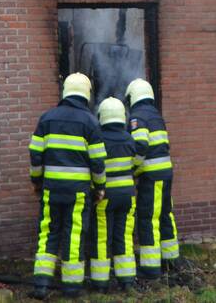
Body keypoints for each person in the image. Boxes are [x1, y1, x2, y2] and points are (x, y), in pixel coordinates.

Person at [28, 73, 106, 299]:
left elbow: (35, 155)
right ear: (86, 94)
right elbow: (98, 162)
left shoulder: (47, 118)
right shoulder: (90, 122)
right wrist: (100, 187)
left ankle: (41, 284)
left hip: (51, 189)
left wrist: (36, 181)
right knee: (73, 235)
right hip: (78, 192)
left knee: (48, 232)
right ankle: (71, 287)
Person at [125, 78, 179, 279]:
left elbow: (140, 146)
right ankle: (170, 259)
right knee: (166, 214)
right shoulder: (156, 115)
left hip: (152, 176)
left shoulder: (138, 117)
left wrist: (134, 168)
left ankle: (150, 268)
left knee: (148, 218)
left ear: (133, 97)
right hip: (165, 173)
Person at [89, 97, 138, 292]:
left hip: (105, 197)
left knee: (102, 238)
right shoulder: (129, 138)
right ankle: (126, 281)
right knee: (124, 237)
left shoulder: (99, 138)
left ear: (102, 116)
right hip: (127, 196)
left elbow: (95, 166)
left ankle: (100, 283)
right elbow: (135, 163)